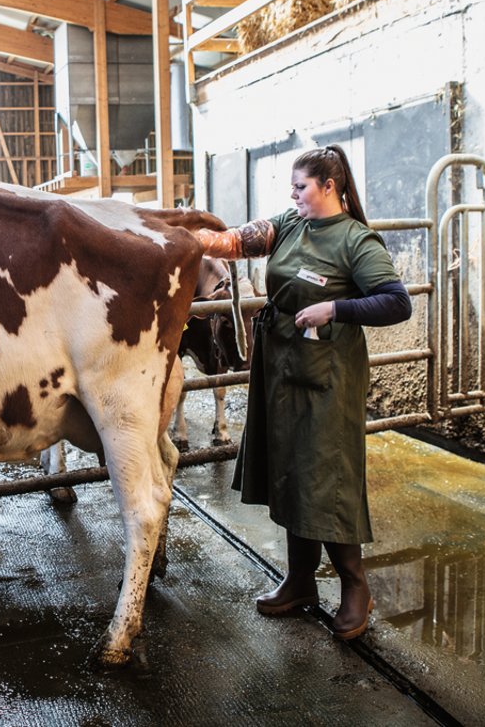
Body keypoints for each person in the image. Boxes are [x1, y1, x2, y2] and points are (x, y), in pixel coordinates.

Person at [197, 144, 411, 640]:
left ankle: (355, 586)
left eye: (300, 187)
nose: (292, 195)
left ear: (329, 186)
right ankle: (299, 582)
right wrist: (186, 239)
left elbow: (396, 303)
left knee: (325, 475)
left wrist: (335, 309)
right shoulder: (292, 225)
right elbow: (236, 241)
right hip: (282, 368)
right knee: (291, 467)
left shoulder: (356, 241)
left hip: (327, 378)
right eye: (291, 188)